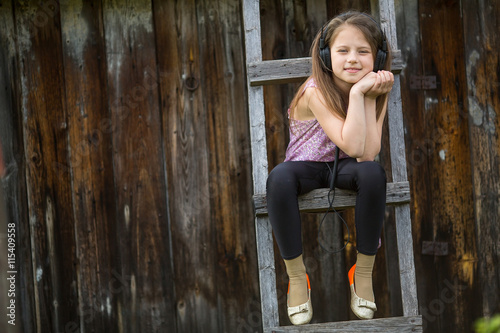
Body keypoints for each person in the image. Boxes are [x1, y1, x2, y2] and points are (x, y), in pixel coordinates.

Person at [266, 11, 394, 325]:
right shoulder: (314, 91)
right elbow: (351, 144)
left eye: (363, 51)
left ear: (376, 57)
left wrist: (369, 96)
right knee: (278, 178)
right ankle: (297, 278)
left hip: (347, 167)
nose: (353, 59)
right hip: (306, 167)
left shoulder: (372, 87)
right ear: (326, 55)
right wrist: (358, 93)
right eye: (343, 51)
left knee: (373, 173)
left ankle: (362, 272)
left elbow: (368, 152)